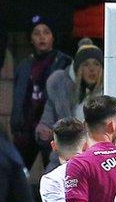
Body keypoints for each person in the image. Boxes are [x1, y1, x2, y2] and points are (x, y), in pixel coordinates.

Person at [11, 15, 72, 168]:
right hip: (26, 129)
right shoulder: (24, 65)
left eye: (46, 32)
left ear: (53, 37)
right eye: (36, 33)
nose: (41, 37)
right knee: (19, 172)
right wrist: (16, 124)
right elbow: (18, 99)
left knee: (53, 172)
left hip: (51, 129)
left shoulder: (64, 63)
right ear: (31, 38)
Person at [37, 39, 102, 148]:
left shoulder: (112, 91)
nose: (92, 69)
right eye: (86, 65)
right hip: (69, 152)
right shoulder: (60, 91)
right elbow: (47, 121)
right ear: (78, 70)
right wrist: (43, 131)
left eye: (96, 64)